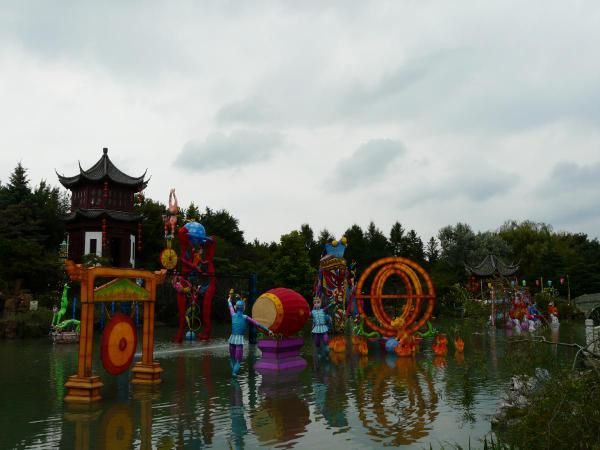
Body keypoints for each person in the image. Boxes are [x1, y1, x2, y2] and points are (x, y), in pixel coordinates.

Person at [227, 290, 273, 377]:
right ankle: (234, 374)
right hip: (239, 341)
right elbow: (257, 324)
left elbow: (229, 304)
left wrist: (229, 298)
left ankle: (233, 374)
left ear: (235, 307)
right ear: (243, 308)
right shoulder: (245, 317)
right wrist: (268, 330)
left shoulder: (233, 314)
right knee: (238, 361)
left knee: (232, 359)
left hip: (231, 340)